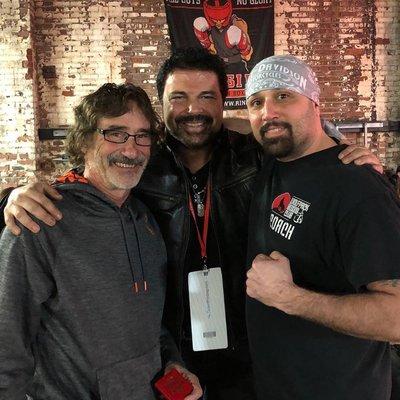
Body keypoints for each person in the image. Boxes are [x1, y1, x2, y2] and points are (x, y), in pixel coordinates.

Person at [0, 48, 382, 399]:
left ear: (223, 104)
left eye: (207, 97)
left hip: (250, 348)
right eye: (178, 98)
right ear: (162, 108)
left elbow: (295, 141)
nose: (193, 110)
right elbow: (89, 181)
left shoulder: (255, 156)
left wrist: (336, 147)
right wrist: (11, 196)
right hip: (170, 352)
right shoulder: (142, 164)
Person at [0, 83, 202, 400]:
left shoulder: (145, 220)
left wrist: (172, 363)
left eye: (142, 135)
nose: (131, 149)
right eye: (115, 133)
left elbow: (150, 323)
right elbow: (6, 343)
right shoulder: (40, 220)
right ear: (84, 140)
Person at [245, 54, 400, 400]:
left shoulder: (358, 188)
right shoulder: (275, 161)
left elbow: (396, 318)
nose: (268, 113)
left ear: (315, 102)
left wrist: (290, 298)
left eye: (284, 96)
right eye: (257, 102)